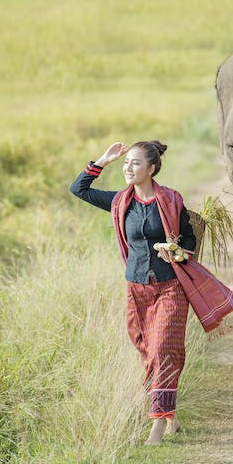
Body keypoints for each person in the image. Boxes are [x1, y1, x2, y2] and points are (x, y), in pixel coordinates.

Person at [70, 140, 197, 445]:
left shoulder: (171, 201)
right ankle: (171, 416)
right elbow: (79, 189)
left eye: (135, 163)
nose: (128, 168)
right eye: (126, 163)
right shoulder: (119, 202)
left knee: (163, 351)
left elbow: (190, 242)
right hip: (136, 289)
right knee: (147, 351)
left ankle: (156, 425)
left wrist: (177, 253)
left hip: (170, 287)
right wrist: (104, 160)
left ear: (152, 168)